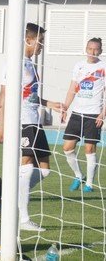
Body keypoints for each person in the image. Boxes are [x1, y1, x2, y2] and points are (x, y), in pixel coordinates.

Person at [0, 23, 64, 232]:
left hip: (35, 120)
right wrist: (1, 125)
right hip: (22, 121)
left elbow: (30, 94)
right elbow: (4, 94)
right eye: (40, 42)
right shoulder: (14, 64)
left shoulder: (30, 65)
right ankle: (23, 219)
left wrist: (50, 104)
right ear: (29, 40)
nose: (42, 46)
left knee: (44, 171)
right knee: (26, 165)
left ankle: (10, 194)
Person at [62, 38, 106, 193]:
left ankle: (89, 184)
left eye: (95, 49)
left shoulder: (103, 67)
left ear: (100, 51)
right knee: (67, 147)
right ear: (86, 49)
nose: (92, 52)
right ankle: (78, 175)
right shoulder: (79, 66)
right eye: (90, 48)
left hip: (94, 114)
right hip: (77, 113)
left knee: (89, 149)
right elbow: (72, 88)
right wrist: (65, 107)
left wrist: (103, 114)